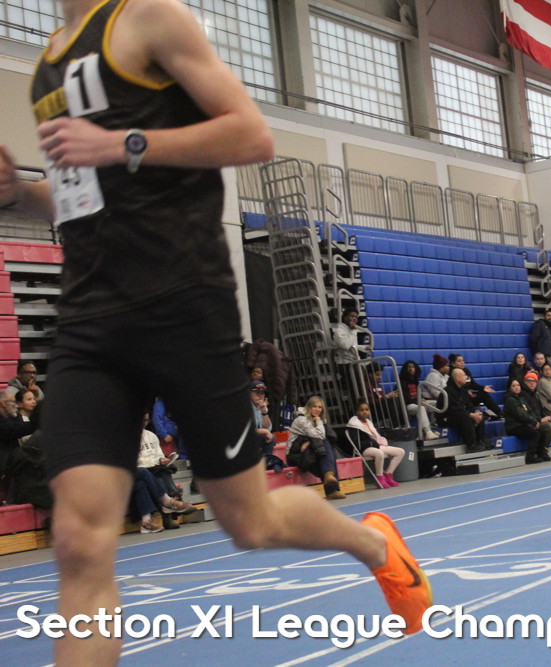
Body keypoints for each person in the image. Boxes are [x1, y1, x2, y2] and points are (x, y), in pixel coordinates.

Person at [0, 2, 431, 661]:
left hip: (183, 307)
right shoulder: (50, 62)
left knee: (250, 522)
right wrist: (15, 194)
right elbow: (79, 194)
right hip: (91, 324)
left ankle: (375, 543)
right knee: (79, 541)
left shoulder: (149, 19)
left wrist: (125, 143)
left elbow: (251, 135)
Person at [288, 396, 348, 499]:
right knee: (325, 444)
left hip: (309, 452)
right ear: (309, 407)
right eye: (314, 406)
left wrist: (310, 442)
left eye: (320, 407)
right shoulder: (301, 419)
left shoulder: (317, 419)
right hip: (295, 454)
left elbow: (331, 436)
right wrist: (319, 421)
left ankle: (330, 480)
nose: (317, 409)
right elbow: (320, 436)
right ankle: (331, 486)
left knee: (327, 446)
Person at [347, 401, 406, 488]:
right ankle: (379, 478)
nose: (364, 412)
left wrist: (377, 442)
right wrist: (372, 443)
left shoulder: (368, 422)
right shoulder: (354, 425)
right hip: (364, 449)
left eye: (366, 409)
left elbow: (376, 437)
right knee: (379, 453)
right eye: (362, 410)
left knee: (400, 452)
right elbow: (357, 444)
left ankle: (388, 475)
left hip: (375, 446)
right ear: (357, 412)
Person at [502, 379, 550, 464]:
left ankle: (541, 454)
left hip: (523, 424)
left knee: (542, 431)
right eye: (513, 386)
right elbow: (521, 414)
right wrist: (534, 422)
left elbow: (530, 412)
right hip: (514, 426)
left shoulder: (521, 398)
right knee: (535, 434)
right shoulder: (510, 400)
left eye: (518, 385)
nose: (516, 387)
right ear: (509, 388)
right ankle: (530, 457)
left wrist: (536, 421)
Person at [445, 368, 489, 452]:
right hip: (449, 417)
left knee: (479, 415)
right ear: (457, 378)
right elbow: (455, 409)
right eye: (464, 375)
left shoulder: (463, 391)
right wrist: (471, 415)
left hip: (461, 414)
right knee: (466, 417)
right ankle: (471, 445)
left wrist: (476, 412)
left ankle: (481, 441)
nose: (466, 377)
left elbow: (469, 405)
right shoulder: (448, 391)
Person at [398, 360, 440, 441]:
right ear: (405, 369)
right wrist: (419, 402)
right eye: (409, 367)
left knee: (436, 403)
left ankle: (433, 427)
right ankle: (428, 432)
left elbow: (418, 394)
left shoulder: (416, 381)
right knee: (421, 408)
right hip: (408, 405)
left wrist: (421, 399)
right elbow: (406, 399)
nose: (411, 369)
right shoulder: (401, 382)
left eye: (413, 367)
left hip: (417, 402)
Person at [520, 371, 551, 454]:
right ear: (525, 382)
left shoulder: (536, 395)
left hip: (538, 420)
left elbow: (541, 411)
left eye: (533, 381)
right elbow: (526, 413)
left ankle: (541, 447)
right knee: (547, 427)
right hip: (529, 423)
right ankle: (542, 451)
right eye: (529, 381)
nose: (531, 383)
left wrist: (548, 420)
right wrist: (540, 420)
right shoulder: (522, 395)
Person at [450, 353, 502, 418]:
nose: (462, 362)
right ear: (453, 363)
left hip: (470, 395)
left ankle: (499, 413)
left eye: (463, 360)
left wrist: (483, 388)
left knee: (483, 394)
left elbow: (473, 384)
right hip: (460, 397)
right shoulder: (452, 373)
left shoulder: (466, 370)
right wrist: (466, 391)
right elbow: (453, 387)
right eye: (459, 361)